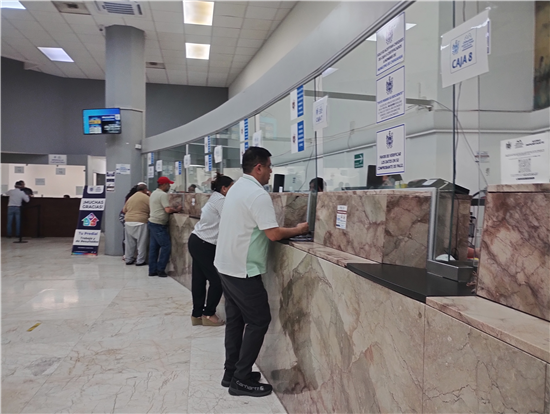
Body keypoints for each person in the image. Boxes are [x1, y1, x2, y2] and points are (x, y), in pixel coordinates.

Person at [214, 147, 309, 397]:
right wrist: (299, 230)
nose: (270, 172)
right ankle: (241, 379)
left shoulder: (236, 188)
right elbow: (273, 234)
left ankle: (231, 372)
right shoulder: (257, 194)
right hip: (242, 268)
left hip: (226, 264)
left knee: (236, 321)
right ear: (259, 168)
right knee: (259, 320)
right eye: (269, 166)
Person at [188, 173, 234, 327]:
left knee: (199, 280)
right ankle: (208, 314)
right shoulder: (221, 201)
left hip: (197, 240)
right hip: (204, 244)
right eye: (232, 187)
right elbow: (231, 219)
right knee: (217, 281)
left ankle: (196, 314)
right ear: (224, 189)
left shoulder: (214, 197)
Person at [148, 176, 180, 277]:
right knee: (166, 246)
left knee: (154, 248)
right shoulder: (162, 195)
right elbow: (167, 210)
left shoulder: (154, 193)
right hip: (159, 224)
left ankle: (152, 270)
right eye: (168, 184)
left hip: (152, 222)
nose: (169, 186)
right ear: (164, 185)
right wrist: (176, 210)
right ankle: (160, 269)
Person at [123, 183, 150, 266]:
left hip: (128, 221)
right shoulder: (146, 198)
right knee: (142, 243)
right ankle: (140, 261)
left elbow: (124, 210)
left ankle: (128, 259)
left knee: (129, 243)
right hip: (141, 221)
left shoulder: (131, 198)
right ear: (145, 190)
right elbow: (152, 208)